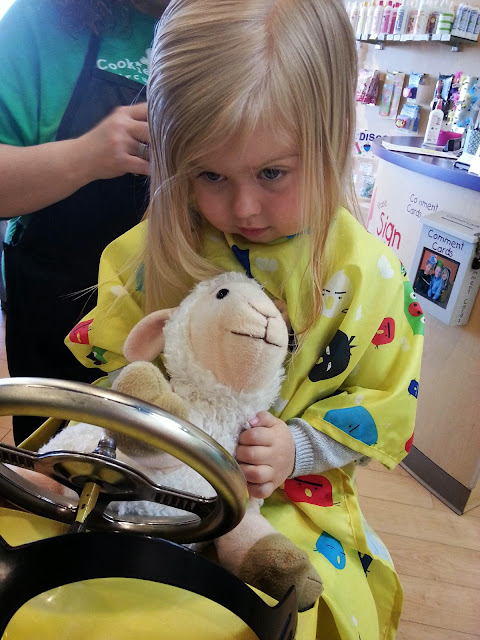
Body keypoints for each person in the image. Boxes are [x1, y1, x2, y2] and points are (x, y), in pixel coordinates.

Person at [64, 1, 424, 637]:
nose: (244, 207)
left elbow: (379, 405)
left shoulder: (369, 274)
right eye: (210, 174)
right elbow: (119, 376)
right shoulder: (160, 248)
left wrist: (296, 448)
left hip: (288, 497)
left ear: (334, 134)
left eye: (272, 172)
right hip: (155, 476)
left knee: (292, 606)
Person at [0, 0, 171, 444]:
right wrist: (84, 157)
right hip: (58, 308)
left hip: (184, 316)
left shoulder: (240, 26)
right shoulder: (37, 25)